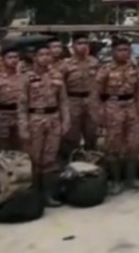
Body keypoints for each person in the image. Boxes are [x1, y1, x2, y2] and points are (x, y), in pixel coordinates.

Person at [96, 38, 139, 194]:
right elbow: (97, 94)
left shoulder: (134, 68)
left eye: (126, 50)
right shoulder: (106, 69)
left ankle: (131, 178)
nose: (124, 53)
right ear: (113, 52)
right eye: (120, 50)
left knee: (134, 144)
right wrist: (100, 115)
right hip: (112, 108)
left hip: (131, 107)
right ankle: (116, 180)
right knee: (113, 146)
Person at [27, 45, 70, 206]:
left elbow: (63, 101)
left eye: (48, 54)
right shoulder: (26, 77)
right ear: (35, 58)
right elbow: (22, 104)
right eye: (41, 54)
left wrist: (66, 120)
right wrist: (23, 126)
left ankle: (48, 194)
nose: (45, 57)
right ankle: (34, 195)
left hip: (53, 119)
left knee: (50, 159)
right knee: (35, 159)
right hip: (35, 119)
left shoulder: (57, 76)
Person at [61, 33, 100, 152]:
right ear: (73, 46)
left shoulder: (94, 62)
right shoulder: (66, 64)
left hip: (91, 101)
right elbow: (61, 86)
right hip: (73, 101)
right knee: (72, 135)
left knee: (92, 133)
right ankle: (73, 157)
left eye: (86, 43)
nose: (83, 46)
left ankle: (91, 156)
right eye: (80, 43)